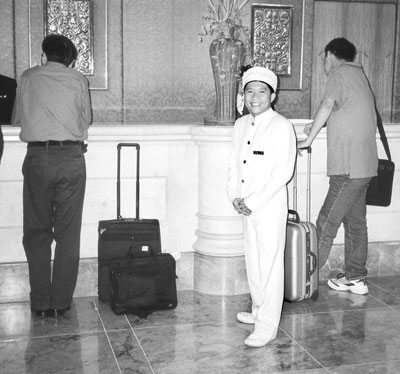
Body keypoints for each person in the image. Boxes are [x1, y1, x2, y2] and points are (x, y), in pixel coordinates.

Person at [12, 34, 92, 317]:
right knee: (68, 235)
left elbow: (17, 117)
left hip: (37, 159)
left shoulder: (28, 77)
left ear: (44, 54)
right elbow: (87, 120)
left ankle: (40, 302)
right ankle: (61, 302)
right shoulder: (78, 80)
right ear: (70, 60)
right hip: (71, 158)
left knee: (36, 233)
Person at [297, 37, 378, 295]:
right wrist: (317, 124)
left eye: (323, 57)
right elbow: (347, 112)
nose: (323, 63)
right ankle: (356, 277)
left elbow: (329, 103)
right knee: (356, 223)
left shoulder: (338, 73)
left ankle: (303, 280)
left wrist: (307, 140)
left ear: (329, 54)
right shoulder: (359, 75)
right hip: (364, 166)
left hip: (347, 168)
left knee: (326, 222)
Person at [227, 66, 297, 347]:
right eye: (249, 91)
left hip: (267, 206)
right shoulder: (240, 124)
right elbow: (234, 163)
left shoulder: (281, 126)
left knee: (269, 265)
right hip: (245, 205)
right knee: (254, 262)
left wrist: (252, 202)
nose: (255, 96)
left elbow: (282, 173)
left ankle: (267, 325)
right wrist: (234, 196)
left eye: (261, 91)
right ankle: (258, 311)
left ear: (273, 95)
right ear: (243, 95)